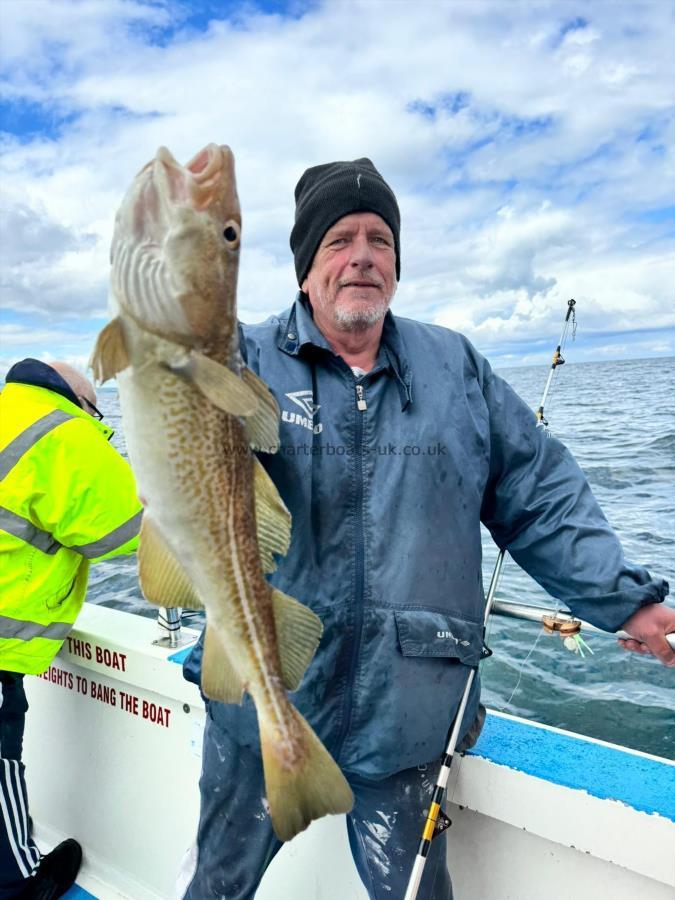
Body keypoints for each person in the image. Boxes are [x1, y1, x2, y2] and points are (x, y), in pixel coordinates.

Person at [181, 159, 674, 899]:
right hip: (260, 700)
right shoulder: (240, 360)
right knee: (217, 884)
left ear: (397, 264)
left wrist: (623, 600)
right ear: (304, 263)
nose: (362, 257)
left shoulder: (455, 368)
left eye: (379, 239)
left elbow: (537, 495)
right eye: (339, 239)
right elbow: (174, 422)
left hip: (407, 714)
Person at [0, 359, 142, 900]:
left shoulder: (7, 411)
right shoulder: (61, 430)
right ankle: (19, 884)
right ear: (81, 400)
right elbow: (134, 532)